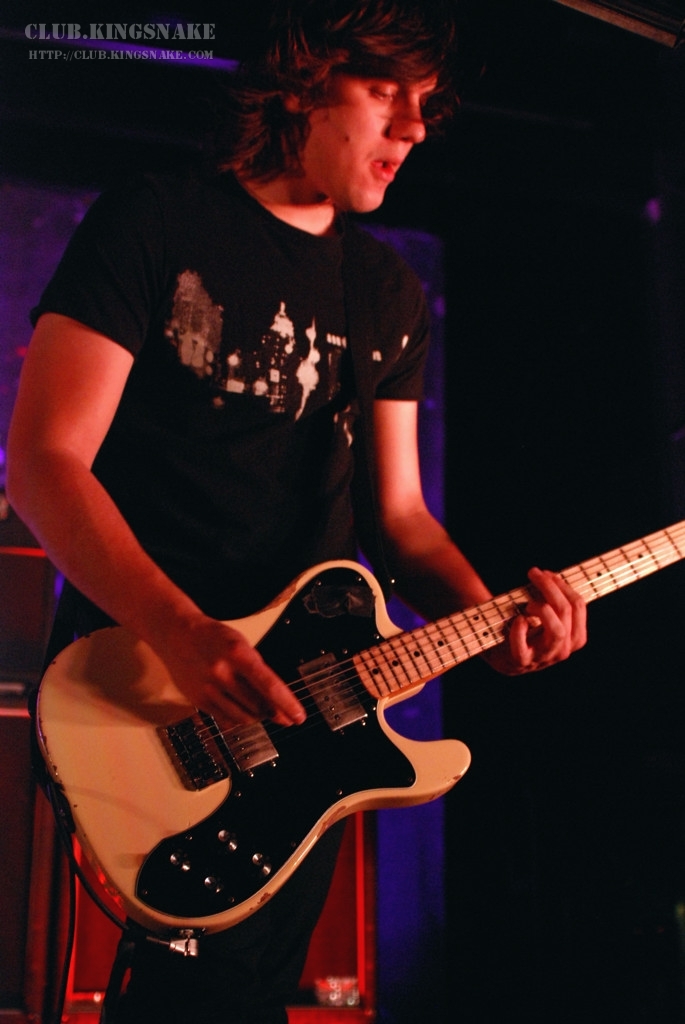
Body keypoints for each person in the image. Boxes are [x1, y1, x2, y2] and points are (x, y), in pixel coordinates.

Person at [6, 1, 587, 1021]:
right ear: (302, 82)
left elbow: (400, 519)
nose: (413, 126)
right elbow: (45, 462)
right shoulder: (156, 221)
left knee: (244, 990)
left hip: (309, 711)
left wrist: (493, 622)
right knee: (203, 989)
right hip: (149, 687)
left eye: (425, 102)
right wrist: (181, 630)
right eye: (383, 90)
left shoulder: (384, 290)